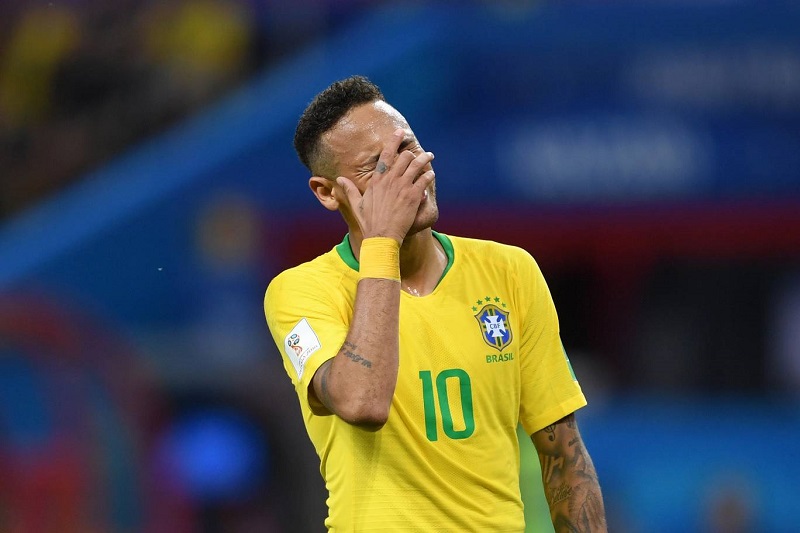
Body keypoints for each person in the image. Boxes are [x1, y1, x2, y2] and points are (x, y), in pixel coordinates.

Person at [264, 75, 607, 532]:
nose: (407, 172)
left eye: (408, 147)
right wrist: (382, 243)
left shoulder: (510, 272)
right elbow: (363, 401)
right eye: (376, 167)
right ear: (328, 192)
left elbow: (564, 456)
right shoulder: (302, 291)